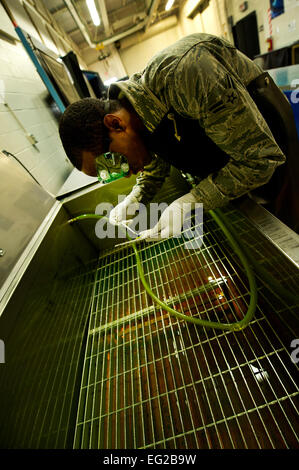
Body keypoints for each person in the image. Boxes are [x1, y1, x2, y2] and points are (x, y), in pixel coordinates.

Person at [59, 33, 299, 236]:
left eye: (112, 162)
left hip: (274, 153)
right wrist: (135, 199)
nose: (125, 173)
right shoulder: (140, 117)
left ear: (115, 124)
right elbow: (157, 161)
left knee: (287, 226)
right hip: (235, 166)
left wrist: (191, 201)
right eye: (108, 174)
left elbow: (259, 159)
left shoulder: (186, 75)